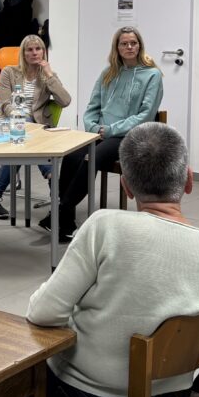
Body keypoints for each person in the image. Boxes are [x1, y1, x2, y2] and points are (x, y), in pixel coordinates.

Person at [25, 123, 199, 397]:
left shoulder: (104, 228)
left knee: (24, 375)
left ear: (125, 185)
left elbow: (43, 313)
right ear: (189, 180)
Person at [44, 26, 162, 241]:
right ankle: (66, 218)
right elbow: (92, 107)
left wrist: (109, 130)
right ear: (116, 47)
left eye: (133, 43)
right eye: (124, 43)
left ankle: (60, 211)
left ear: (140, 45)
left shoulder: (152, 75)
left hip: (130, 135)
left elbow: (145, 115)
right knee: (71, 155)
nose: (129, 47)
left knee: (92, 158)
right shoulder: (108, 73)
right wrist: (92, 128)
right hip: (100, 133)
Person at [0, 35, 72, 219]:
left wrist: (50, 75)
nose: (34, 53)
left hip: (35, 129)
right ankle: (53, 179)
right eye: (29, 49)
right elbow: (5, 104)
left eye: (38, 49)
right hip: (9, 120)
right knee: (22, 131)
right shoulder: (9, 72)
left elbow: (65, 100)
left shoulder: (47, 76)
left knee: (21, 145)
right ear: (23, 53)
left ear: (43, 52)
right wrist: (19, 117)